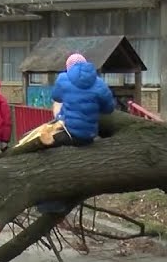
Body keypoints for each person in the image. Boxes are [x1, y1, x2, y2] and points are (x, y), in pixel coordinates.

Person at [36, 53, 116, 213]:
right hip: (88, 136)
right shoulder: (99, 83)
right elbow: (109, 108)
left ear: (68, 67)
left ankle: (49, 203)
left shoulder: (63, 79)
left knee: (47, 156)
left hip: (69, 131)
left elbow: (56, 97)